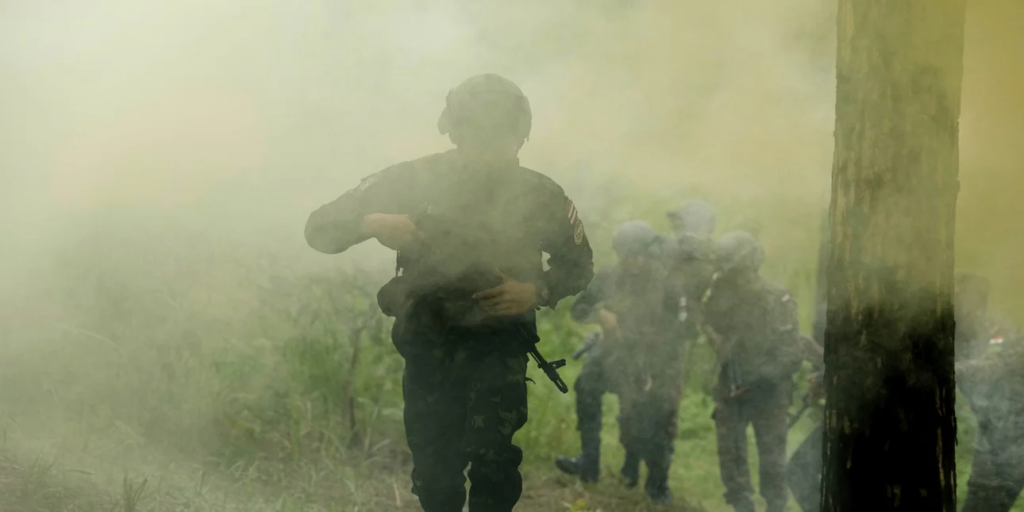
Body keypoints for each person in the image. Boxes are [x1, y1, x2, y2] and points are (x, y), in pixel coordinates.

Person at [303, 73, 595, 512]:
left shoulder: (541, 195)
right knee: (436, 474)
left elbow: (580, 265)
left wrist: (536, 290)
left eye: (502, 137)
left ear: (520, 136)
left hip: (499, 344)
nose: (490, 148)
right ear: (456, 132)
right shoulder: (413, 179)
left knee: (494, 465)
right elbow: (319, 227)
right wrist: (373, 223)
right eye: (478, 135)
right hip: (428, 342)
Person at [554, 220, 699, 503]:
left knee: (649, 420)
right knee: (586, 385)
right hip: (616, 353)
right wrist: (600, 314)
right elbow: (579, 309)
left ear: (648, 253)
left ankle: (657, 484)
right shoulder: (610, 277)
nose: (631, 262)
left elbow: (683, 330)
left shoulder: (668, 284)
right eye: (625, 255)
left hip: (658, 359)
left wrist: (654, 366)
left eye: (636, 255)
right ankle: (589, 462)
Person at [701, 231, 804, 512]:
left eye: (737, 272)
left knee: (771, 457)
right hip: (731, 383)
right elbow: (707, 321)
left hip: (769, 389)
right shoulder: (719, 294)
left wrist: (764, 376)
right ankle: (741, 503)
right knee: (730, 451)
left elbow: (792, 351)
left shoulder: (776, 298)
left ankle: (775, 505)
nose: (735, 279)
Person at [954, 272, 1024, 512]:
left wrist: (949, 371)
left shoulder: (1011, 319)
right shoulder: (963, 331)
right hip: (995, 439)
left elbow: (1004, 364)